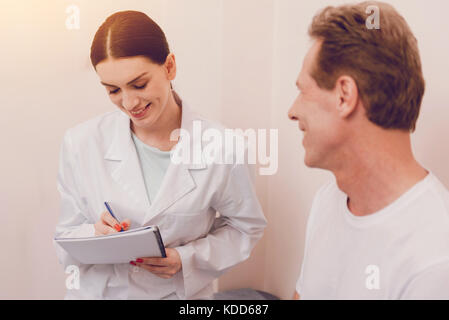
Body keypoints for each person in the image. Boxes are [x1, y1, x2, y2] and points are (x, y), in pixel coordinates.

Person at [54, 10, 266, 299]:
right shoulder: (80, 143)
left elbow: (245, 227)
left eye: (139, 84)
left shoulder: (224, 146)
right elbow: (65, 237)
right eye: (113, 90)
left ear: (169, 67)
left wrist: (187, 258)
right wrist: (95, 233)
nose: (129, 102)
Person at [289, 1, 449, 299]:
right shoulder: (328, 201)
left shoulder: (437, 259)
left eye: (302, 91)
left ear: (344, 96)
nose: (292, 111)